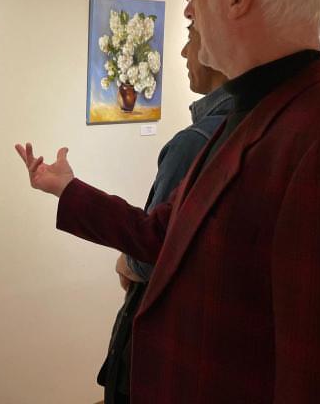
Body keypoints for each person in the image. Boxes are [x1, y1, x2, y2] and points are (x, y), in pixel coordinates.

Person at [16, 0, 320, 403]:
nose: (188, 11)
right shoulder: (248, 115)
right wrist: (68, 190)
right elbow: (165, 235)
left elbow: (316, 369)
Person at [99, 23, 230, 404]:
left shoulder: (193, 143)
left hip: (156, 348)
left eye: (191, 37)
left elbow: (150, 253)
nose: (184, 53)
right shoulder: (248, 128)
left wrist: (126, 261)